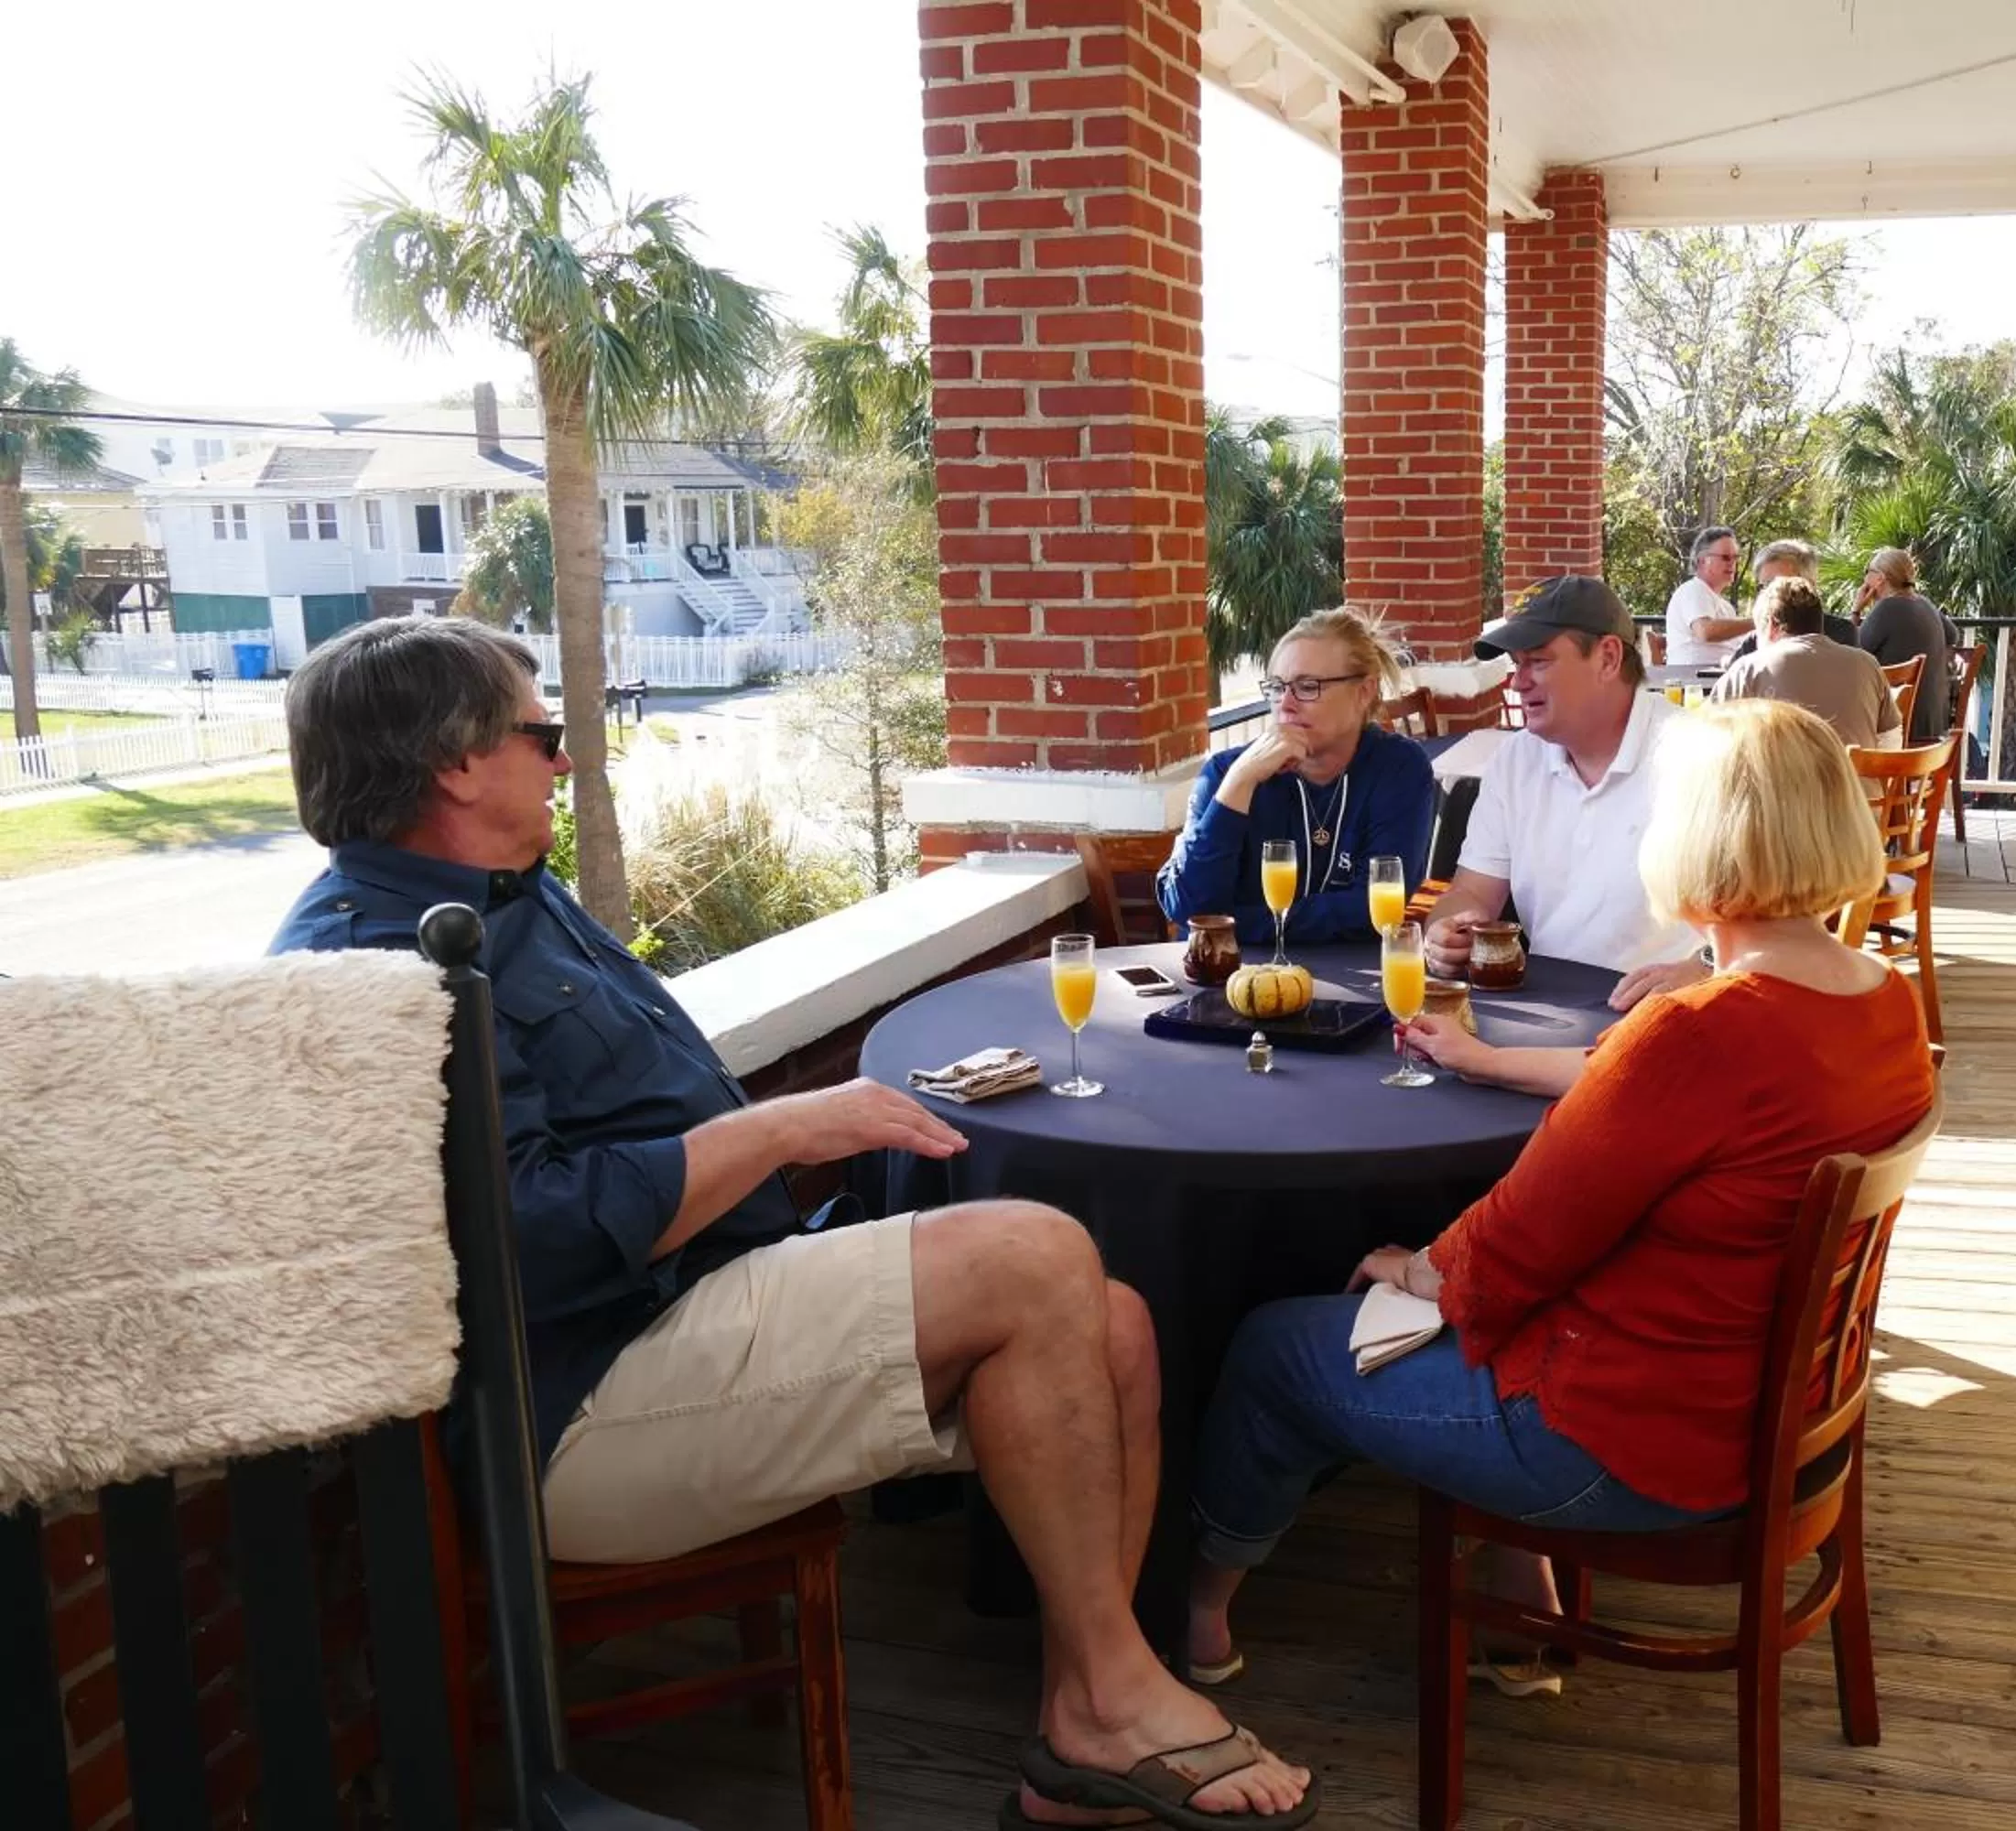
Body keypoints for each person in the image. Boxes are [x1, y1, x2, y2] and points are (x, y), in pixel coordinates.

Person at [267, 618, 1315, 1831]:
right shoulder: (377, 965)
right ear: (455, 764)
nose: (562, 763)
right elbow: (530, 1240)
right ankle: (1116, 1704)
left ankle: (1082, 1732)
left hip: (687, 1311)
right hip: (572, 1413)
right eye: (541, 734)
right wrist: (779, 1131)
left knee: (1118, 1323)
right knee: (1036, 1257)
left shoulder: (508, 898)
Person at [1183, 700, 1936, 1694]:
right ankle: (1520, 1593)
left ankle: (1194, 1619)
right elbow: (1626, 1127)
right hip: (1775, 1414)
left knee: (1276, 1345)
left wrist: (1411, 1267)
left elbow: (1510, 1253)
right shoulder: (1884, 999)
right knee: (1495, 1288)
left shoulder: (1703, 1031)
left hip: (1633, 1447)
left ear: (1697, 835)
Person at [1428, 575, 1702, 1008]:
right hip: (1544, 1013)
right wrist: (1445, 934)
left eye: (1537, 661)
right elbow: (1472, 893)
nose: (1517, 683)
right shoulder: (1515, 761)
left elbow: (1790, 922)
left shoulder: (1701, 756)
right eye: (1516, 665)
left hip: (1667, 1020)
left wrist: (1706, 968)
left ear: (1608, 658)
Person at [1157, 609, 1436, 946]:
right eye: (1277, 687)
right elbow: (1188, 909)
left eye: (1307, 687)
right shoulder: (1226, 773)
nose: (1285, 704)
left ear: (1364, 691)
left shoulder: (1398, 768)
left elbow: (1373, 909)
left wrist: (1235, 925)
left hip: (1352, 983)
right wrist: (1240, 782)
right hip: (1229, 978)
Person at [1707, 577, 1902, 752]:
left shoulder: (1748, 669)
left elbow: (1707, 739)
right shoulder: (1867, 664)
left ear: (1773, 625)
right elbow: (1891, 741)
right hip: (1860, 791)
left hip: (1780, 791)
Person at [1855, 546, 1959, 743]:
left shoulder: (1887, 608)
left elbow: (1850, 654)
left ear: (1880, 579)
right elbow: (1953, 634)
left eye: (1867, 572)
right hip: (1933, 721)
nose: (1865, 579)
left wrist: (1856, 611)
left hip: (1900, 724)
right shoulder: (1924, 603)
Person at [1723, 539, 1854, 666]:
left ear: (1810, 586)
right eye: (1764, 586)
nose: (1771, 594)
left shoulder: (1841, 634)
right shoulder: (1754, 641)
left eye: (1782, 585)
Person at [1660, 525, 1749, 668]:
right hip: (1693, 683)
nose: (1732, 563)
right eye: (1725, 557)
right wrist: (1756, 621)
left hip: (1717, 678)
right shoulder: (1693, 589)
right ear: (1702, 561)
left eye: (1735, 557)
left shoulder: (1726, 607)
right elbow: (1706, 632)